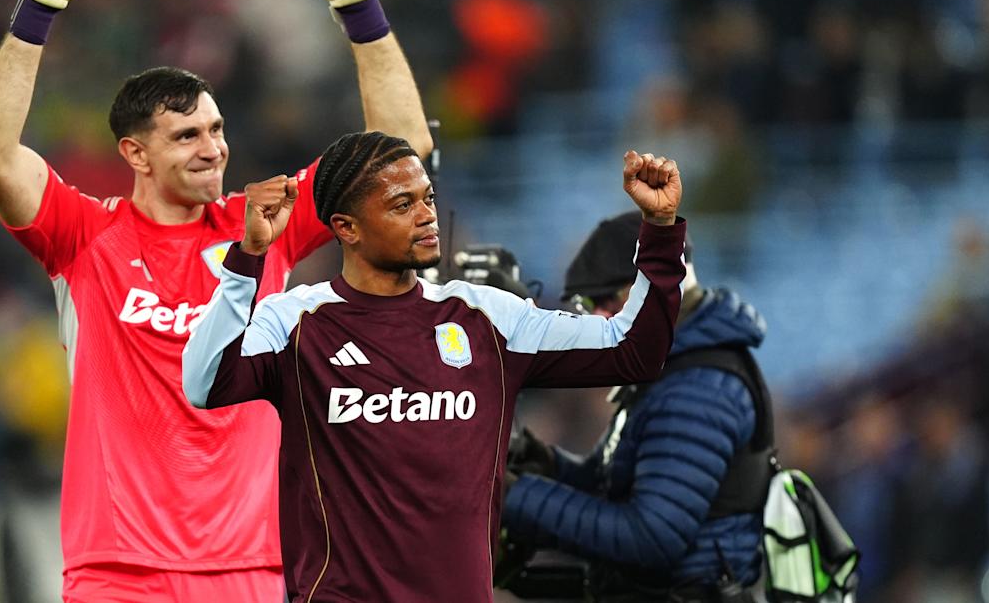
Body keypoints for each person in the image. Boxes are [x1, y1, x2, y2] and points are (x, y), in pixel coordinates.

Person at [0, 0, 432, 599]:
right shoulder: (83, 237)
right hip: (119, 574)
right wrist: (38, 9)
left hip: (255, 570)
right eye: (187, 136)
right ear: (135, 154)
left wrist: (360, 9)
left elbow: (404, 150)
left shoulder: (266, 225)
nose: (213, 149)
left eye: (216, 131)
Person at [181, 133, 687, 601]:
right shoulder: (295, 320)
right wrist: (248, 258)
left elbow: (634, 350)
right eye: (403, 205)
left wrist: (660, 233)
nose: (427, 216)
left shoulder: (488, 317)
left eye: (426, 198)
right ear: (346, 229)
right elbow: (205, 383)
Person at [499, 210, 771, 602]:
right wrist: (551, 466)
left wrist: (514, 496)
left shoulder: (697, 388)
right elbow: (622, 485)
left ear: (643, 289)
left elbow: (652, 538)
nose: (594, 318)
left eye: (600, 301)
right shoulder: (669, 366)